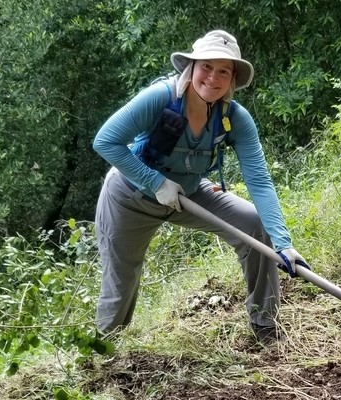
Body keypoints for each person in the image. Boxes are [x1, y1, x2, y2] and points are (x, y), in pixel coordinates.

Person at [92, 30, 307, 344]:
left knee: (254, 225)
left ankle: (264, 325)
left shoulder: (234, 118)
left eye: (224, 71)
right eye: (206, 66)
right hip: (130, 196)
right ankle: (104, 351)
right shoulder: (160, 98)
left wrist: (282, 243)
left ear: (232, 79)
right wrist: (154, 182)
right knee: (122, 279)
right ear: (190, 67)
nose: (213, 77)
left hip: (188, 192)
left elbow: (259, 180)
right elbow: (105, 141)